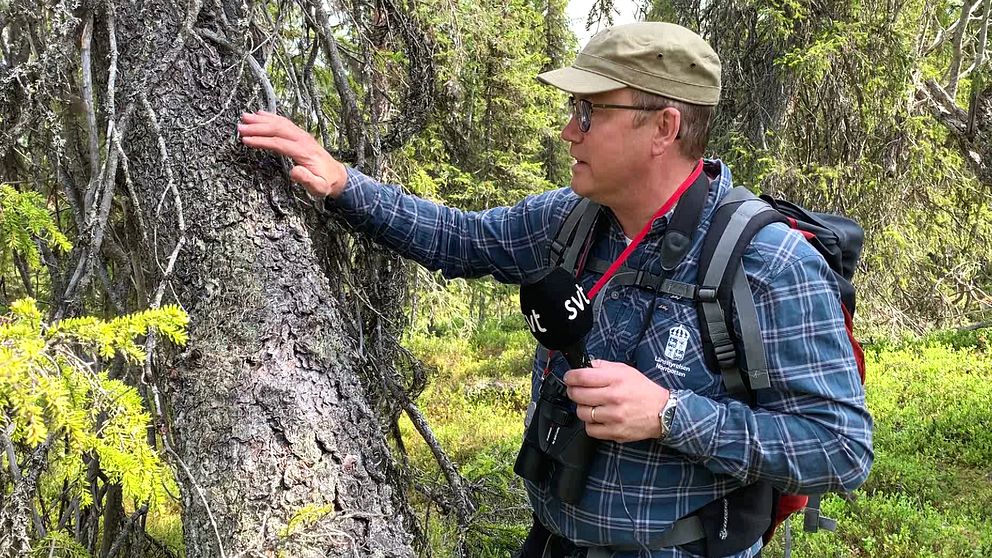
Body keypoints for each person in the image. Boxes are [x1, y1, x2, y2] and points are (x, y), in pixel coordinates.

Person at [238, 21, 873, 558]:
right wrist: (344, 182)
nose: (570, 130)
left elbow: (841, 449)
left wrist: (671, 416)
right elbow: (459, 239)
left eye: (590, 112)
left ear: (664, 128)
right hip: (552, 539)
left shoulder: (766, 263)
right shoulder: (570, 219)